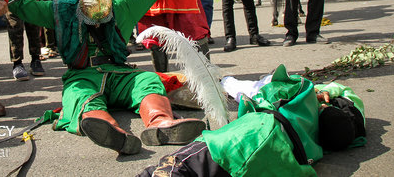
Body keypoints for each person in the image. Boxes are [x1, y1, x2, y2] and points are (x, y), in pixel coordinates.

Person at [0, 0, 206, 155]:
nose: (96, 26)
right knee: (78, 95)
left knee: (146, 80)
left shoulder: (122, 5)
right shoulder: (63, 11)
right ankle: (110, 131)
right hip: (83, 75)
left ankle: (161, 123)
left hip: (120, 74)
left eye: (102, 21)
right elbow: (24, 5)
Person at [140, 66, 366, 176]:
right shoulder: (308, 100)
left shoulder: (311, 98)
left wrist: (325, 105)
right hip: (275, 150)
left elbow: (341, 127)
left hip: (258, 132)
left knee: (186, 163)